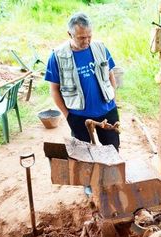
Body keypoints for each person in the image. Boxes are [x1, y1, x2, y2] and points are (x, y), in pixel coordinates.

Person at [45, 12, 120, 150]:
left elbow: (111, 75)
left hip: (107, 111)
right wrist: (68, 116)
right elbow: (54, 89)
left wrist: (113, 99)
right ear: (70, 34)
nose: (86, 41)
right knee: (83, 155)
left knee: (112, 150)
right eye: (81, 38)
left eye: (89, 36)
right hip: (78, 116)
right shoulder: (57, 56)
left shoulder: (101, 48)